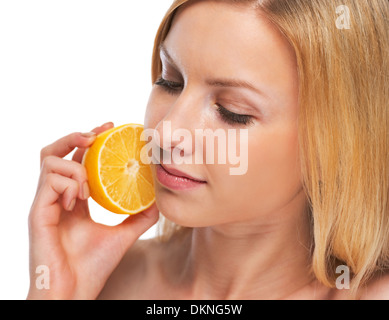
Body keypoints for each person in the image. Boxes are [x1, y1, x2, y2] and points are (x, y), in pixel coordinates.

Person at [27, 0, 389, 300]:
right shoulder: (104, 281)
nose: (167, 133)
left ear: (337, 147)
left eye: (233, 112)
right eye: (170, 81)